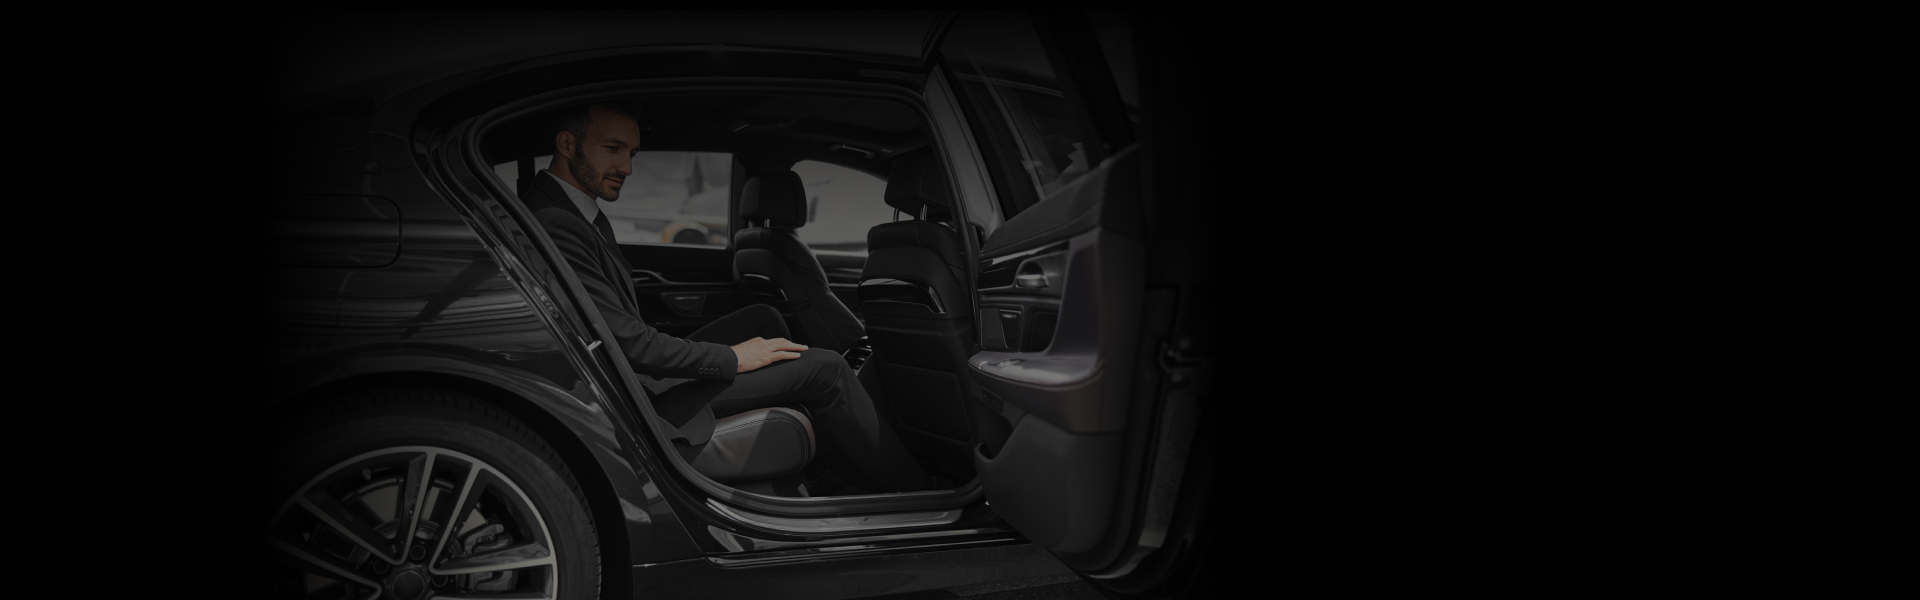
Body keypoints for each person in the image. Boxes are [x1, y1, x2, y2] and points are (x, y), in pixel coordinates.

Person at [518, 103, 938, 494]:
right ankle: (918, 492)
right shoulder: (558, 222)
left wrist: (734, 355)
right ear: (567, 144)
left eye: (632, 153)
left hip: (632, 372)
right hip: (635, 395)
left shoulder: (569, 210)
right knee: (827, 369)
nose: (626, 167)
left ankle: (829, 460)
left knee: (763, 317)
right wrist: (734, 358)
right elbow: (627, 344)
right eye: (613, 149)